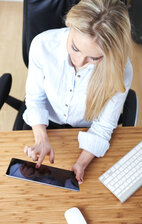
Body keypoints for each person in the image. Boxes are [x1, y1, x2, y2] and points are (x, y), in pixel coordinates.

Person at [23, 0, 133, 184]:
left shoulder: (120, 69)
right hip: (44, 125)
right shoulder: (42, 45)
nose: (79, 62)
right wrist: (41, 139)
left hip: (86, 129)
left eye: (94, 57)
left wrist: (82, 163)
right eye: (75, 48)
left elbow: (103, 127)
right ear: (69, 25)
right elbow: (35, 99)